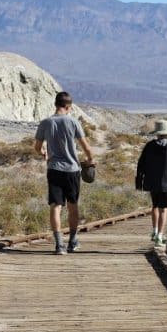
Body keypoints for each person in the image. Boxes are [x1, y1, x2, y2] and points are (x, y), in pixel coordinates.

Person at [34, 91, 94, 255]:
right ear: (69, 106)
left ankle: (59, 244)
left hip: (54, 169)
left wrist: (44, 153)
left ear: (55, 104)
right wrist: (90, 160)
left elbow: (37, 147)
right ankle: (73, 241)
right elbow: (86, 146)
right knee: (73, 205)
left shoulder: (46, 122)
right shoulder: (73, 122)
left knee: (56, 206)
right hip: (72, 170)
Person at [135, 119, 167, 247]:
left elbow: (141, 164)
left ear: (157, 133)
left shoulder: (149, 146)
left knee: (154, 206)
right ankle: (160, 236)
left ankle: (155, 232)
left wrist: (140, 181)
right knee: (164, 209)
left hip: (152, 182)